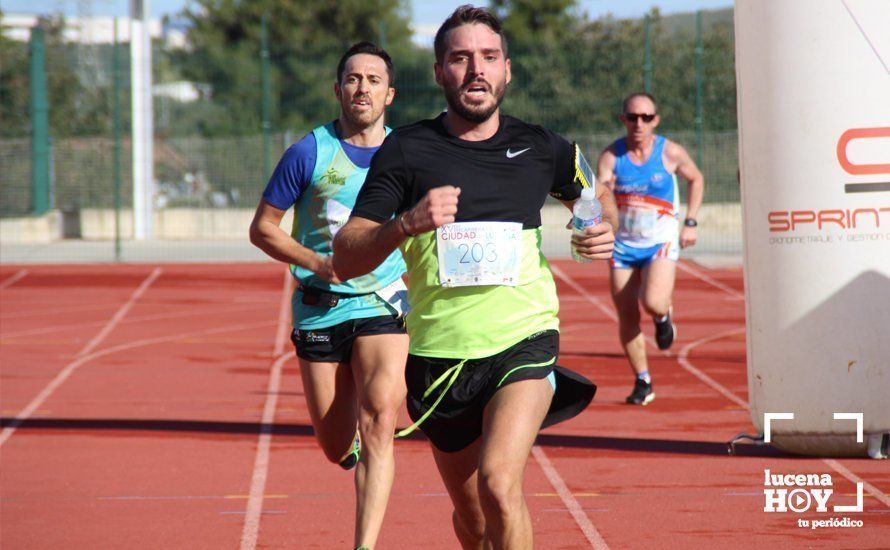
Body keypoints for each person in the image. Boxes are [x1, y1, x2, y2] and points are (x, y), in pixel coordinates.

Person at [333, 7, 617, 549]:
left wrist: (593, 225)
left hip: (524, 341)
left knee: (498, 483)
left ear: (507, 70)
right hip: (440, 358)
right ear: (440, 72)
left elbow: (594, 196)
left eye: (488, 58)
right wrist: (406, 223)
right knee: (474, 518)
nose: (476, 70)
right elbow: (347, 255)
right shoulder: (407, 150)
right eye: (460, 59)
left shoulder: (540, 147)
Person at [248, 42, 408, 550]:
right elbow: (263, 229)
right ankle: (347, 446)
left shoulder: (407, 152)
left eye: (374, 79)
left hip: (386, 301)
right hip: (322, 305)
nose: (363, 87)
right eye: (353, 79)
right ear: (338, 89)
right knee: (334, 443)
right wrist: (317, 262)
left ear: (390, 94)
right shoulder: (308, 153)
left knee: (382, 415)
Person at [596, 92, 705, 406]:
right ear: (623, 120)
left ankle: (662, 316)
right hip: (623, 245)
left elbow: (696, 178)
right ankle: (643, 381)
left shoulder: (669, 152)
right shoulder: (612, 156)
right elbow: (600, 191)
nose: (638, 123)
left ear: (655, 120)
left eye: (645, 117)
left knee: (654, 301)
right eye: (632, 117)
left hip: (660, 240)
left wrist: (691, 222)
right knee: (626, 315)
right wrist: (603, 197)